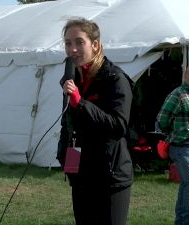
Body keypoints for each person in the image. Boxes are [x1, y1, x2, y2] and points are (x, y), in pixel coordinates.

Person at [57, 17, 133, 225]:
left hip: (110, 177)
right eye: (68, 43)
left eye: (79, 42)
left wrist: (81, 103)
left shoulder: (115, 78)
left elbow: (118, 126)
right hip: (81, 176)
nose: (72, 49)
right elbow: (68, 122)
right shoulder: (72, 78)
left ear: (95, 44)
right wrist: (64, 157)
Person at [157, 64, 189, 225]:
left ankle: (181, 221)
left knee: (188, 185)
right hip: (183, 147)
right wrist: (175, 133)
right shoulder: (177, 95)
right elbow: (162, 120)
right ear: (185, 77)